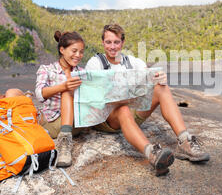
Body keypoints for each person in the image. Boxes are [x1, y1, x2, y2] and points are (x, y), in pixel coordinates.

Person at [85, 24, 210, 176]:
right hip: (108, 118)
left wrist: (160, 78)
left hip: (132, 113)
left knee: (161, 88)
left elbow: (149, 78)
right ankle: (151, 153)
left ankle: (185, 141)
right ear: (103, 43)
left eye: (116, 42)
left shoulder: (133, 62)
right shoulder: (95, 63)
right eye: (108, 42)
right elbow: (92, 97)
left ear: (122, 43)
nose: (112, 46)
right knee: (123, 109)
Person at [35, 31, 85, 167]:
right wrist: (63, 86)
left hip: (77, 122)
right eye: (74, 51)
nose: (78, 55)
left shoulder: (82, 71)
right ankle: (64, 146)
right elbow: (40, 94)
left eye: (81, 52)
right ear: (62, 50)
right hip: (53, 123)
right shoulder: (47, 69)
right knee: (67, 91)